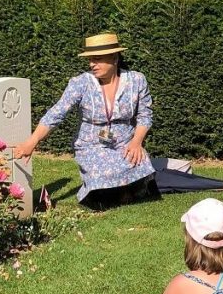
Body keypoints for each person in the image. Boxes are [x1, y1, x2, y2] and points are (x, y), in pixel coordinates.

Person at [14, 33, 157, 209]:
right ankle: (114, 191)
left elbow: (145, 115)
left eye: (97, 59)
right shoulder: (80, 83)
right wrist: (32, 141)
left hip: (125, 141)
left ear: (114, 58)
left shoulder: (137, 80)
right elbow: (56, 113)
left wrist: (136, 142)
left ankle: (124, 189)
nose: (92, 64)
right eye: (90, 59)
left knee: (140, 162)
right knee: (101, 173)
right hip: (91, 143)